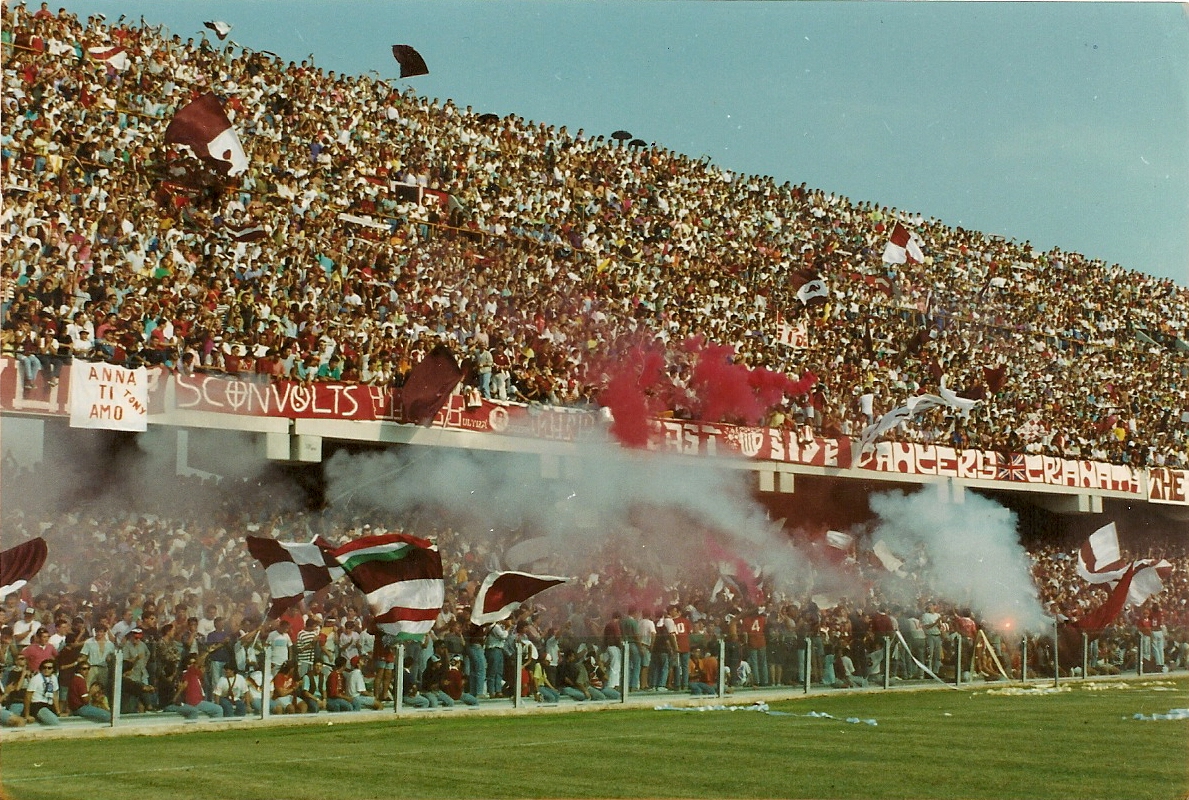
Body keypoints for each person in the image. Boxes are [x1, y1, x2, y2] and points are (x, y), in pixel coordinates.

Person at [24, 658, 62, 725]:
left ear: (53, 669)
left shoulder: (54, 678)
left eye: (49, 668)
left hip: (49, 704)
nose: (46, 670)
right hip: (38, 705)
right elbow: (28, 697)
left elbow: (55, 695)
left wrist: (58, 711)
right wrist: (27, 715)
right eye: (44, 667)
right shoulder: (36, 679)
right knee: (54, 722)